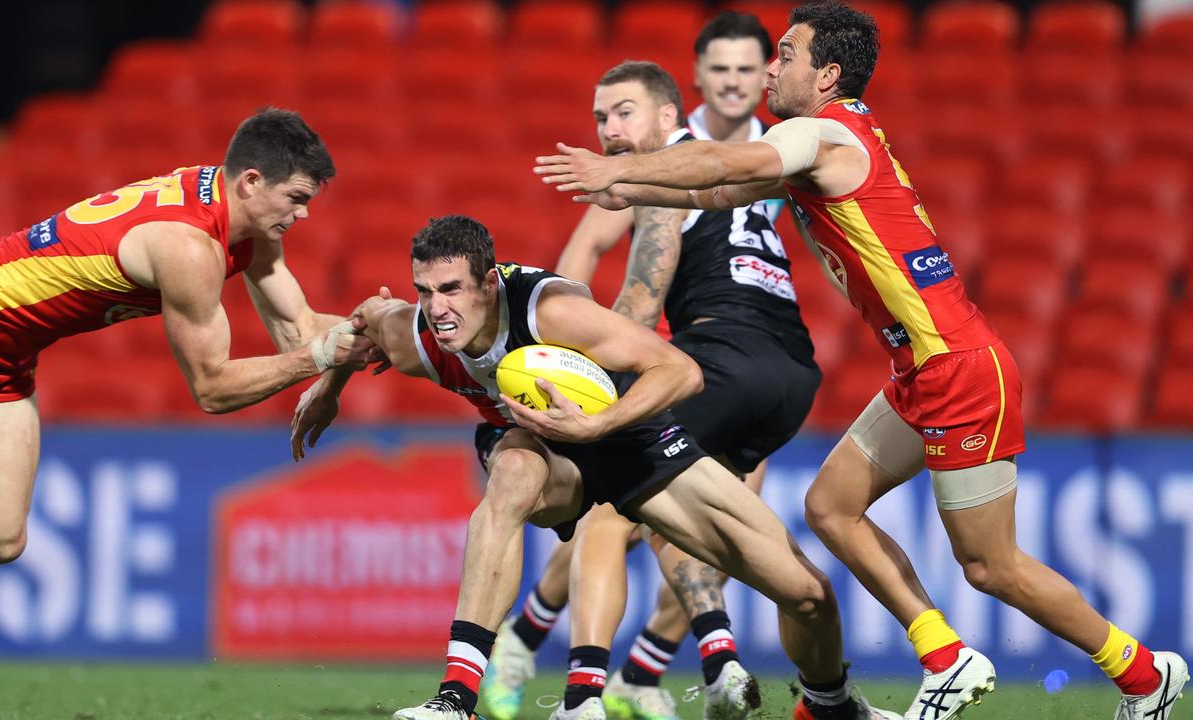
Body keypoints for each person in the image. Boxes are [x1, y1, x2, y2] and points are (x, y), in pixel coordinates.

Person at [533, 2, 1190, 719]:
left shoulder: (821, 132)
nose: (771, 67)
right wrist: (624, 184)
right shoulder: (828, 139)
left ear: (828, 74)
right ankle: (943, 655)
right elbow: (718, 189)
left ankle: (1143, 675)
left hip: (959, 369)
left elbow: (724, 159)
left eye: (785, 55)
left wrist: (609, 172)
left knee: (989, 565)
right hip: (923, 368)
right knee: (830, 507)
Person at [290, 215, 900, 720]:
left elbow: (681, 372)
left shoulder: (554, 314)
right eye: (424, 291)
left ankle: (829, 705)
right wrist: (329, 386)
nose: (437, 309)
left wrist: (593, 425)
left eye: (451, 290)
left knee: (808, 595)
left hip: (626, 435)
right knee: (511, 479)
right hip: (541, 446)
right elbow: (369, 316)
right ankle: (457, 698)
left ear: (490, 283)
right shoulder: (418, 334)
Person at [484, 56, 827, 720]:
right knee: (694, 522)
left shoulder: (666, 178)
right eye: (600, 118)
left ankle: (574, 688)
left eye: (622, 114)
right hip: (791, 375)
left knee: (610, 506)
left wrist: (563, 355)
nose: (609, 129)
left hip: (716, 361)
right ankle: (709, 666)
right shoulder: (752, 167)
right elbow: (586, 254)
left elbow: (640, 303)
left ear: (673, 115)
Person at [0, 108, 376, 594]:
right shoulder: (188, 246)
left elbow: (299, 327)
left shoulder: (243, 223)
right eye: (296, 198)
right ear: (252, 182)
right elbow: (212, 388)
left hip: (1, 355)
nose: (303, 214)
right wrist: (320, 358)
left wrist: (389, 329)